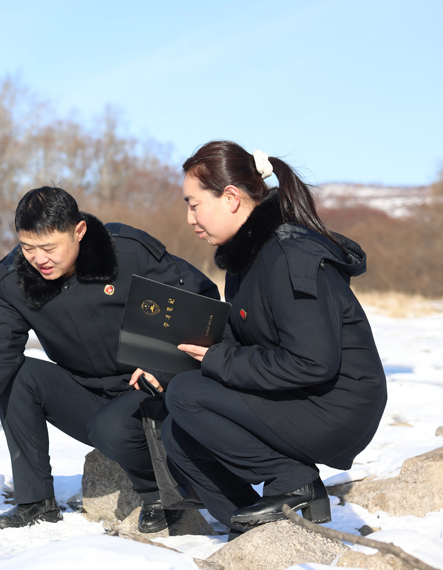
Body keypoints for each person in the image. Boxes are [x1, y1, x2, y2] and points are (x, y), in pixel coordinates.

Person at [0, 186, 219, 531]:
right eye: (28, 247)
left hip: (152, 390)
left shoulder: (128, 253)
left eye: (49, 247)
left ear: (79, 231)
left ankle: (160, 493)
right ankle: (35, 502)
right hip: (88, 396)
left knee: (113, 423)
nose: (38, 258)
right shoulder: (15, 280)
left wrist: (164, 367)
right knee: (16, 374)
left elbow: (200, 301)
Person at [163, 140, 387, 537]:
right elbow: (250, 337)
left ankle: (292, 481)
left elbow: (312, 361)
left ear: (230, 197)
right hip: (306, 394)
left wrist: (218, 362)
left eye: (193, 204)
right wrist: (167, 350)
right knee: (177, 433)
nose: (189, 218)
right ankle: (256, 529)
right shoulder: (248, 256)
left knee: (187, 395)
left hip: (336, 404)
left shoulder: (289, 257)